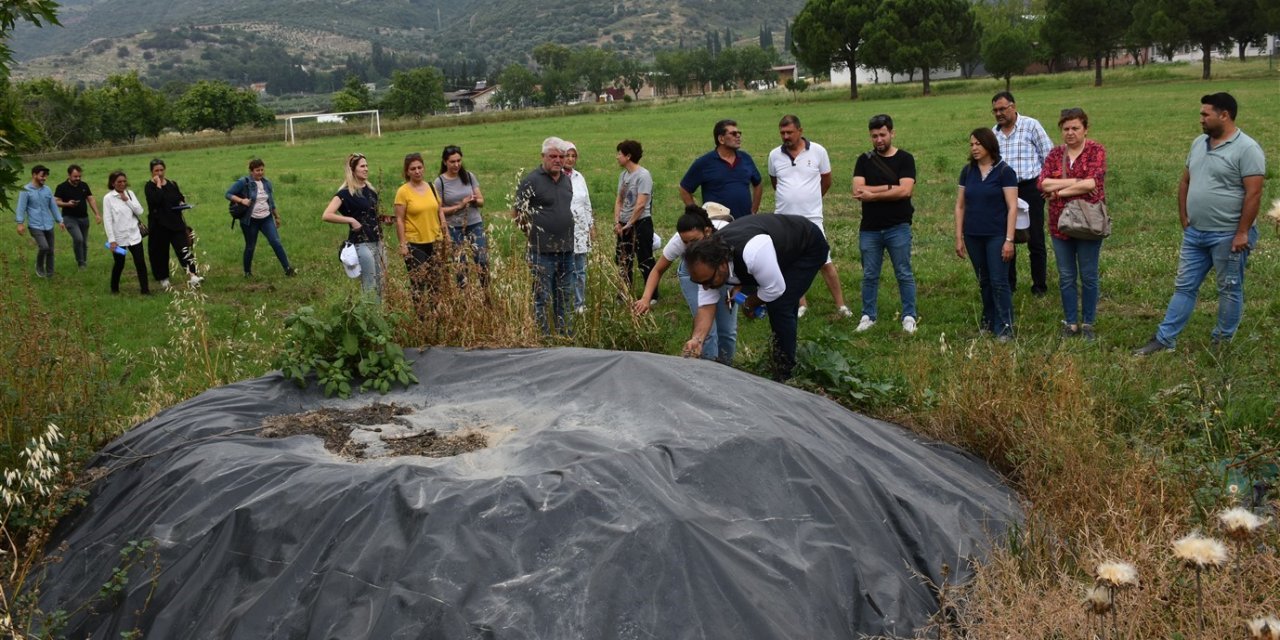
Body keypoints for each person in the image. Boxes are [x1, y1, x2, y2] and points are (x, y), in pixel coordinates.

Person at [1135, 92, 1266, 355]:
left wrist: (1242, 233)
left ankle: (1222, 341)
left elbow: (1254, 193)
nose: (1201, 119)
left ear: (1224, 115)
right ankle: (1164, 339)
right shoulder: (1198, 143)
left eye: (1206, 114)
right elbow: (1186, 180)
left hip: (1228, 235)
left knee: (1228, 289)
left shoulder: (1247, 149)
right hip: (1196, 233)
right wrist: (1183, 215)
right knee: (1184, 286)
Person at [683, 214, 829, 381]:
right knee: (779, 300)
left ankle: (785, 373)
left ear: (722, 264)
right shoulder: (707, 266)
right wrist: (697, 339)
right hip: (776, 250)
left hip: (806, 245)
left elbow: (775, 289)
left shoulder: (751, 253)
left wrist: (749, 303)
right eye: (700, 283)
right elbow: (706, 306)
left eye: (708, 281)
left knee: (780, 305)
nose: (706, 287)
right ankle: (786, 356)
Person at [634, 203, 737, 364]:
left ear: (707, 232)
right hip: (690, 273)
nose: (690, 246)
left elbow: (744, 268)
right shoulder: (679, 241)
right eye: (686, 242)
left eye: (695, 241)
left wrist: (737, 287)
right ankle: (707, 369)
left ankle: (727, 369)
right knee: (707, 330)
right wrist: (646, 298)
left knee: (727, 331)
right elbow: (657, 270)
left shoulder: (726, 235)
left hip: (724, 270)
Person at [768, 114, 849, 319]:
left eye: (789, 132)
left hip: (812, 218)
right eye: (782, 133)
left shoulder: (818, 151)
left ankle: (841, 306)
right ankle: (801, 303)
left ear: (800, 131)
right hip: (784, 220)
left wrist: (811, 199)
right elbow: (775, 182)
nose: (785, 136)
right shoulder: (774, 155)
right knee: (789, 261)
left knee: (824, 260)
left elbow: (827, 180)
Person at [1037, 108, 1108, 341]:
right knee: (1066, 275)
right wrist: (1076, 181)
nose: (1070, 133)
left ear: (1085, 129)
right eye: (1066, 128)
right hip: (1061, 225)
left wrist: (1059, 192)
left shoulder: (1096, 150)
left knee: (1088, 275)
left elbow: (1092, 184)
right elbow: (1043, 183)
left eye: (1075, 128)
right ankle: (1070, 323)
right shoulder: (1055, 155)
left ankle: (1088, 322)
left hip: (1089, 223)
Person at [852, 114, 919, 334]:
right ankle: (867, 316)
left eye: (882, 134)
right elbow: (858, 190)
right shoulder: (864, 160)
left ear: (892, 133)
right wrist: (891, 188)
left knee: (903, 272)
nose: (879, 140)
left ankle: (909, 316)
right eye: (874, 136)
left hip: (898, 225)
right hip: (870, 228)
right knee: (870, 274)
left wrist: (875, 192)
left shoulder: (905, 159)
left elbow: (906, 190)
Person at [954, 128, 1019, 341]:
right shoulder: (967, 171)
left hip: (997, 235)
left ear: (989, 145)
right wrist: (959, 236)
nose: (974, 148)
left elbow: (1012, 207)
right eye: (971, 144)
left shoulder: (1004, 172)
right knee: (984, 280)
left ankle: (1005, 326)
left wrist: (1009, 239)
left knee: (999, 280)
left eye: (978, 144)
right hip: (973, 235)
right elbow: (960, 205)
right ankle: (988, 320)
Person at [991, 91, 1053, 296]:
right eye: (995, 110)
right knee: (1007, 238)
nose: (999, 113)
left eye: (1002, 109)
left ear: (1013, 106)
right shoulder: (994, 133)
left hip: (1029, 188)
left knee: (1035, 238)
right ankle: (1010, 284)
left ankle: (1039, 286)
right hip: (1004, 192)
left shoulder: (1031, 126)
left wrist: (1045, 184)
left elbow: (1049, 155)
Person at [514, 137, 575, 336]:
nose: (558, 160)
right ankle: (544, 335)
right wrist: (531, 234)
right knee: (542, 296)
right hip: (542, 251)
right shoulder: (532, 180)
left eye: (561, 156)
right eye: (553, 156)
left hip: (566, 248)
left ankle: (563, 332)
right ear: (543, 157)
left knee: (564, 295)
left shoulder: (566, 180)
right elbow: (517, 213)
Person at [322, 153, 385, 298]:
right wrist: (350, 220)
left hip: (378, 240)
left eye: (367, 165)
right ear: (353, 170)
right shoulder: (345, 194)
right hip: (361, 243)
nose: (366, 169)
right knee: (370, 284)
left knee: (382, 282)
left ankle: (380, 316)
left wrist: (383, 219)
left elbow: (370, 214)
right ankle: (369, 317)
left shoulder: (371, 191)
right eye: (362, 166)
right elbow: (327, 215)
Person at [225, 158, 296, 278]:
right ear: (251, 171)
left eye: (262, 170)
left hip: (266, 218)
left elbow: (271, 201)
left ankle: (287, 269)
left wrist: (276, 216)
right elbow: (228, 194)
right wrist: (242, 200)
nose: (260, 172)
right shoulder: (243, 182)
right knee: (250, 246)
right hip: (250, 220)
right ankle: (247, 272)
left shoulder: (267, 183)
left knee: (276, 242)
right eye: (257, 170)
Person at [679, 119, 762, 220]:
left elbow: (758, 183)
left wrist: (754, 210)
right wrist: (698, 216)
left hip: (744, 222)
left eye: (739, 133)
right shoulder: (704, 162)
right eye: (733, 133)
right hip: (718, 224)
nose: (738, 136)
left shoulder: (746, 158)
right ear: (721, 139)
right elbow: (684, 189)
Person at [394, 152, 448, 302]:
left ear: (423, 168)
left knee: (436, 281)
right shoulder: (403, 192)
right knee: (419, 282)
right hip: (415, 243)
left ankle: (435, 315)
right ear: (407, 172)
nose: (417, 171)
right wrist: (403, 244)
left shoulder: (431, 187)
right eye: (413, 169)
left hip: (435, 240)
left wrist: (446, 234)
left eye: (419, 167)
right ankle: (421, 317)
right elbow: (399, 219)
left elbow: (439, 211)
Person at [435, 145, 487, 288]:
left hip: (474, 222)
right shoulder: (439, 183)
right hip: (453, 226)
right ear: (445, 162)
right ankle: (464, 296)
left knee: (482, 259)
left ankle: (486, 293)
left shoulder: (469, 176)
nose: (456, 164)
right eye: (452, 162)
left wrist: (474, 200)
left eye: (459, 161)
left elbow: (482, 201)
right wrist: (459, 206)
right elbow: (438, 210)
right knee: (460, 264)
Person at [144, 158, 200, 289]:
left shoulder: (172, 184)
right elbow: (156, 200)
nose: (159, 173)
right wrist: (158, 184)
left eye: (161, 170)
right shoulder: (149, 187)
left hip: (175, 223)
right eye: (156, 170)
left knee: (184, 249)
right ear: (151, 172)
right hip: (159, 225)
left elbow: (179, 197)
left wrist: (181, 203)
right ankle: (163, 278)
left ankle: (192, 275)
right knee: (160, 252)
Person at [613, 139, 657, 302]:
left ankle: (652, 295)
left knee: (645, 258)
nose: (617, 157)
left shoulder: (644, 175)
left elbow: (640, 205)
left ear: (628, 156)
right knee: (623, 259)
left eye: (619, 153)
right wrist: (618, 222)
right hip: (624, 224)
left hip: (641, 223)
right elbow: (619, 200)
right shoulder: (623, 176)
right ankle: (624, 293)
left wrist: (630, 224)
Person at [101, 170, 150, 295]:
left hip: (134, 235)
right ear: (113, 183)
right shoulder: (108, 198)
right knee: (119, 263)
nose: (122, 184)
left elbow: (140, 211)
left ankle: (145, 290)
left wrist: (127, 200)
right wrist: (111, 240)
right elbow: (107, 220)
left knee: (140, 262)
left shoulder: (130, 193)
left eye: (124, 181)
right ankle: (114, 289)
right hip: (119, 238)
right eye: (119, 182)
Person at [15, 164, 64, 278]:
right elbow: (21, 207)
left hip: (48, 224)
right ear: (34, 175)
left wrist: (60, 220)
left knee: (51, 250)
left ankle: (50, 274)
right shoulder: (25, 190)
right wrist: (20, 223)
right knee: (44, 247)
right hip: (35, 225)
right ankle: (39, 266)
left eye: (46, 176)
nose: (44, 178)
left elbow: (53, 206)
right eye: (42, 175)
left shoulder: (47, 190)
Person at [563, 141, 594, 311]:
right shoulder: (557, 177)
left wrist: (591, 225)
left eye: (573, 156)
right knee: (566, 268)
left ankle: (579, 304)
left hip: (580, 229)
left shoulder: (579, 177)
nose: (570, 159)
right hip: (563, 229)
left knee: (580, 269)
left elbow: (587, 203)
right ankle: (566, 303)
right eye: (567, 155)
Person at [53, 164, 102, 269]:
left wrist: (97, 214)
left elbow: (90, 199)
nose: (78, 178)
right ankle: (81, 262)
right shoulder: (62, 187)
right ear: (69, 175)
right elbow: (56, 202)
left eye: (79, 176)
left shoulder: (84, 185)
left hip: (84, 218)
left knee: (84, 242)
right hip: (69, 218)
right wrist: (67, 204)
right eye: (75, 176)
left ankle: (84, 261)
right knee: (78, 239)